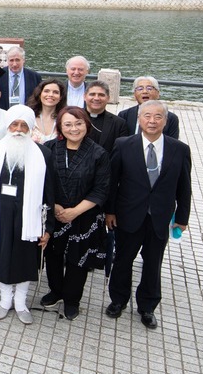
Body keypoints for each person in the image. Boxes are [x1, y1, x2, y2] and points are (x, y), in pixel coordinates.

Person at [106, 100, 191, 330]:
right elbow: (113, 182)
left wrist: (182, 218)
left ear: (166, 120)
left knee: (153, 263)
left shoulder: (179, 149)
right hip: (128, 214)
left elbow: (184, 186)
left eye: (157, 117)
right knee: (123, 259)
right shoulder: (123, 145)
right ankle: (118, 300)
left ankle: (147, 306)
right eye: (147, 116)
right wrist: (110, 211)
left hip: (160, 217)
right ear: (139, 119)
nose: (152, 121)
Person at [0, 105, 57, 325]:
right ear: (8, 125)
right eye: (14, 124)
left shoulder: (43, 153)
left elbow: (49, 193)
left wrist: (48, 228)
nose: (19, 130)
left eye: (24, 126)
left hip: (29, 219)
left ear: (31, 128)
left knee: (25, 260)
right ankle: (4, 301)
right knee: (2, 258)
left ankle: (21, 302)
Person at [40, 106, 110, 320]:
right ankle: (55, 290)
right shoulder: (49, 148)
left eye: (78, 123)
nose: (74, 128)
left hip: (84, 216)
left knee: (78, 261)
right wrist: (57, 206)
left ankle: (72, 299)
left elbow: (101, 189)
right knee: (53, 255)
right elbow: (42, 182)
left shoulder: (98, 153)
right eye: (68, 124)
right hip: (55, 213)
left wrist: (75, 211)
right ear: (60, 127)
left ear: (86, 124)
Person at [85, 80, 128, 153]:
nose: (96, 98)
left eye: (101, 95)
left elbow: (121, 151)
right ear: (84, 96)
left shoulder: (119, 123)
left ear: (108, 98)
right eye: (92, 94)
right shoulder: (74, 118)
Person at [28, 79, 67, 144]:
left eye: (55, 92)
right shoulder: (29, 117)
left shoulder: (64, 119)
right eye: (46, 91)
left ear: (60, 97)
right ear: (40, 95)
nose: (51, 95)